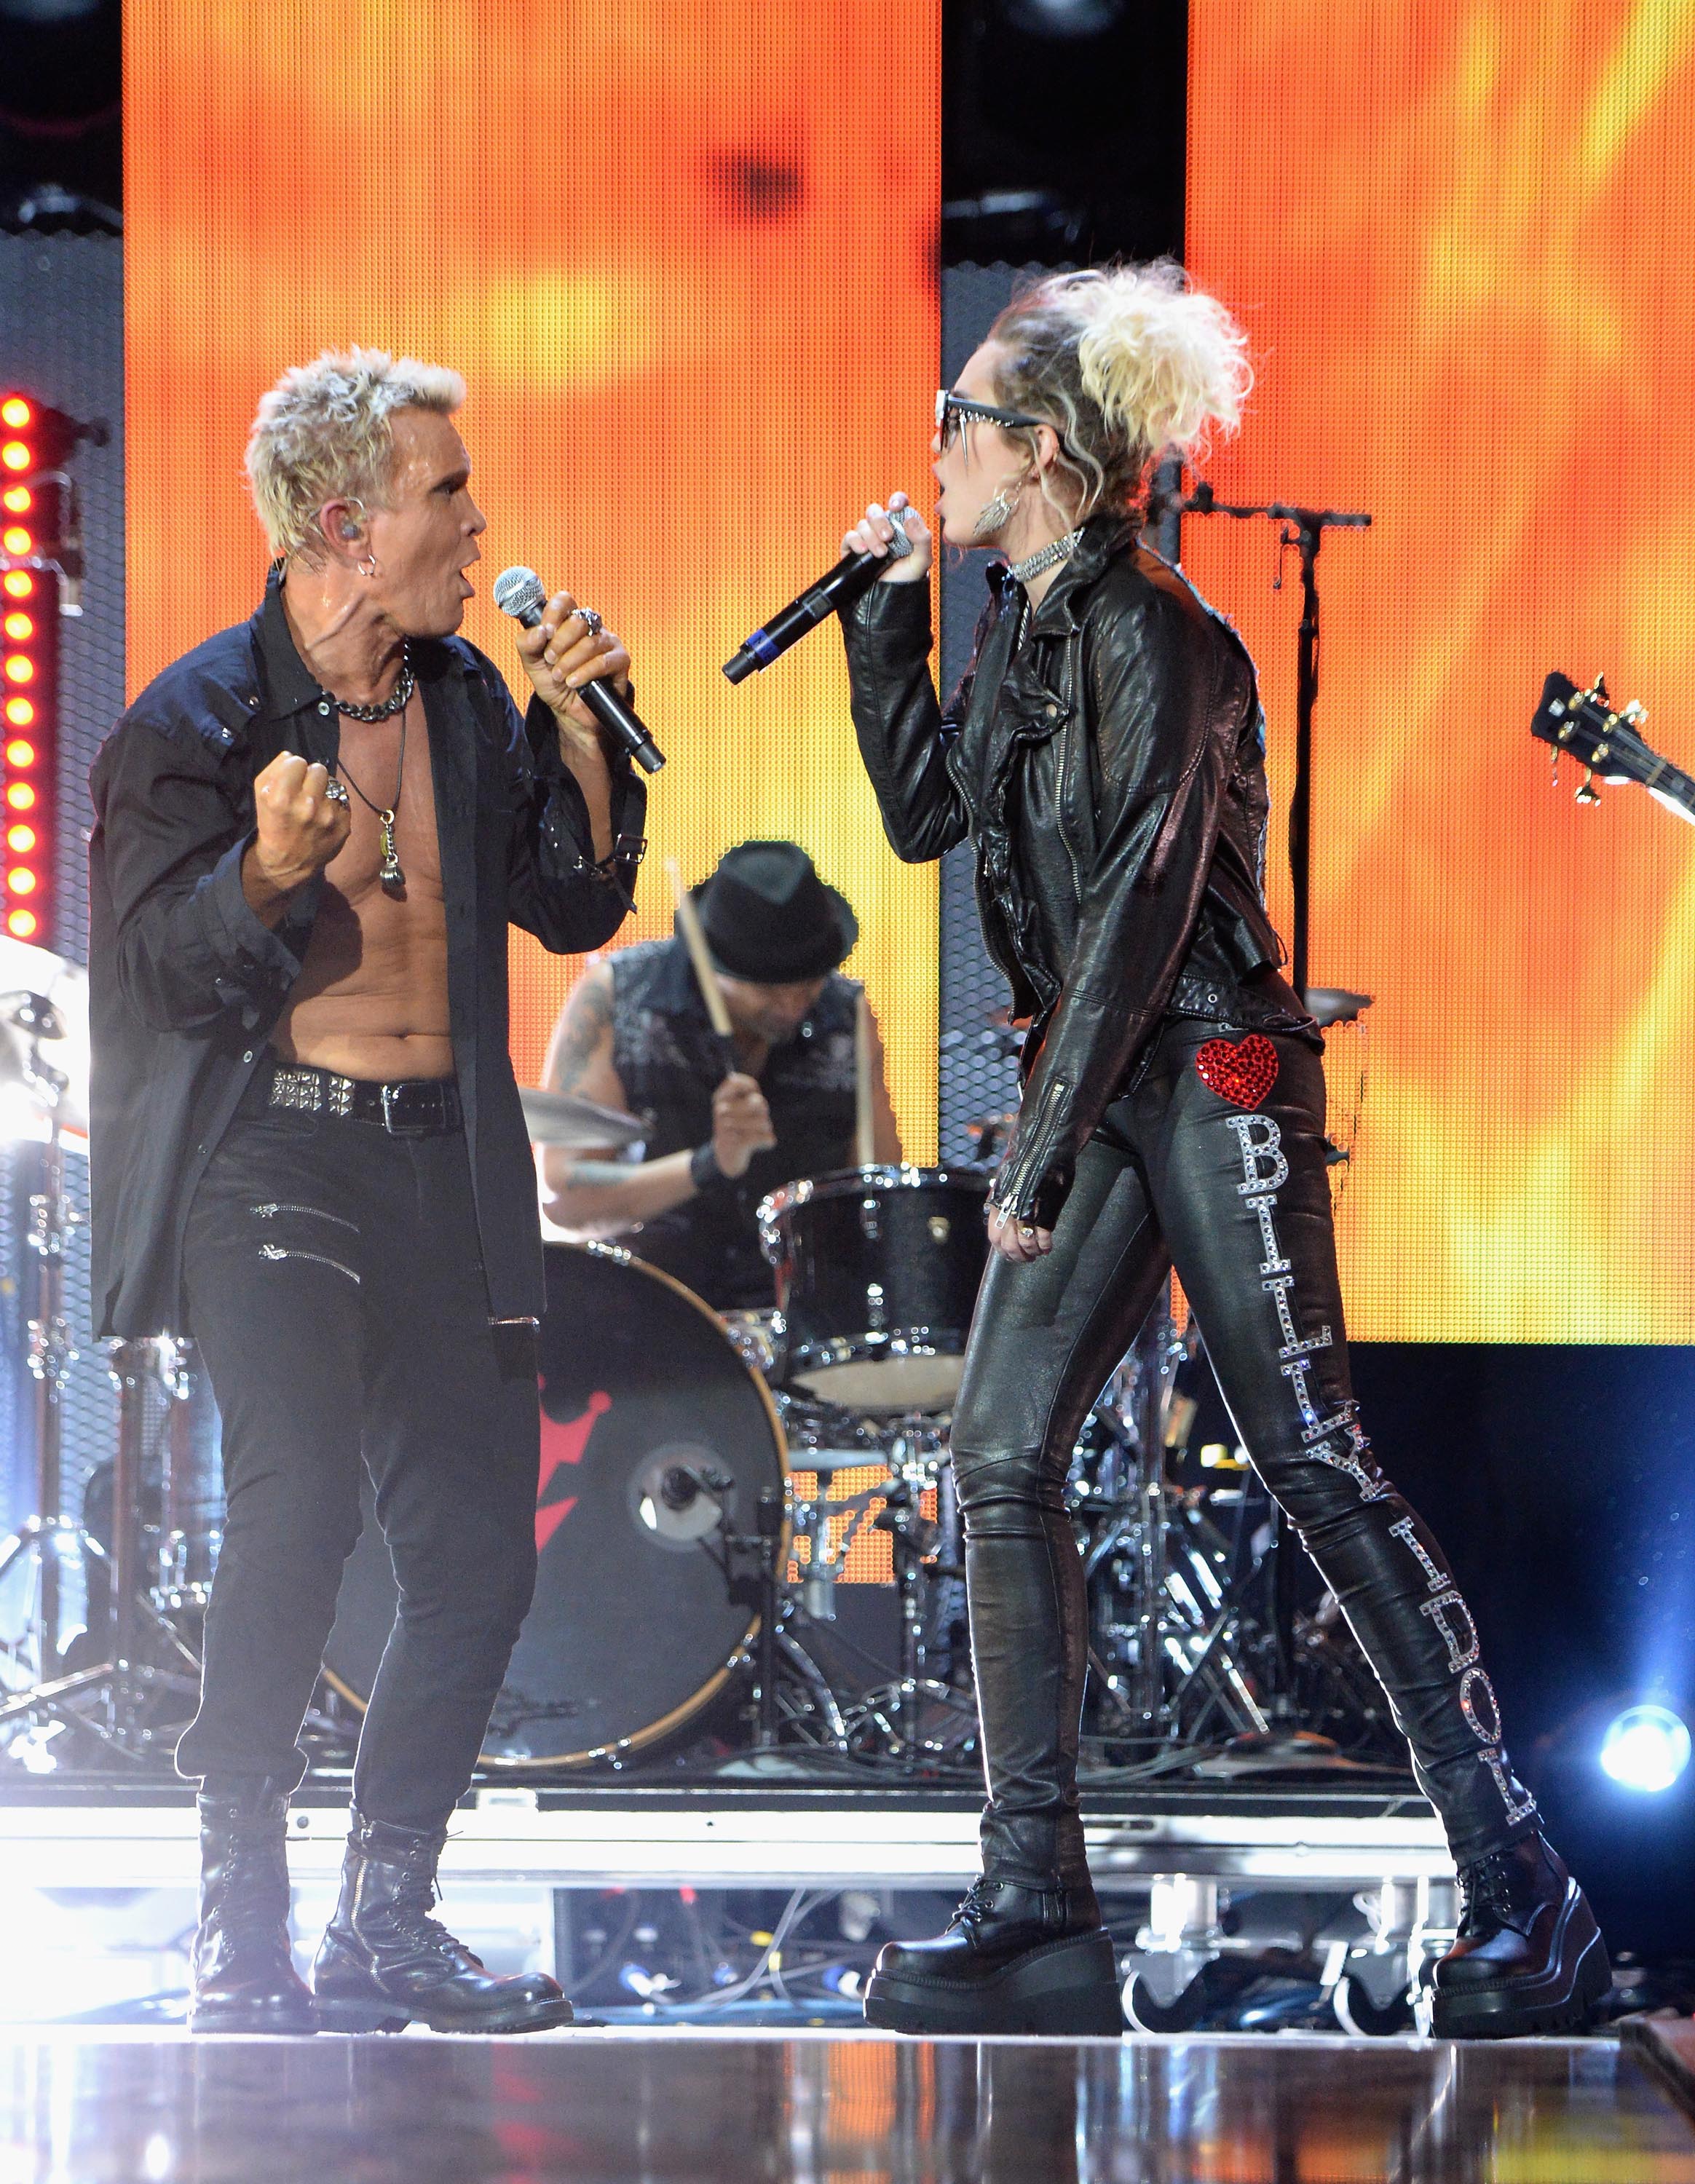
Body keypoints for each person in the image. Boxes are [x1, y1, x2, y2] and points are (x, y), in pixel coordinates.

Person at [836, 266, 1608, 2039]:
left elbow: (1136, 907)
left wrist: (1029, 1151)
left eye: (958, 418)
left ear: (1035, 453)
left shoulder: (1159, 629)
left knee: (1309, 1457)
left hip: (1215, 1070)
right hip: (1113, 1084)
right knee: (998, 1446)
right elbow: (922, 814)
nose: (933, 444)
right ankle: (1033, 1904)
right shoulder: (1027, 620)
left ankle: (1524, 1898)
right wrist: (888, 624)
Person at [87, 349, 646, 2035]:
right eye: (447, 493)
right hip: (270, 1156)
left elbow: (577, 903)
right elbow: (154, 977)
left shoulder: (471, 700)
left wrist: (586, 733)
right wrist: (262, 871)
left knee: (479, 1553)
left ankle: (385, 1912)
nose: (479, 526)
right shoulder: (189, 724)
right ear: (347, 521)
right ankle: (234, 1916)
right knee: (297, 1510)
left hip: (441, 1161)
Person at [540, 839, 900, 1311]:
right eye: (770, 989)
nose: (793, 1003)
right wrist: (709, 1163)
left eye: (808, 981)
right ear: (715, 967)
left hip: (801, 1309)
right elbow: (565, 1196)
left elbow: (882, 1195)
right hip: (654, 1306)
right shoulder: (619, 997)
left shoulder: (846, 1014)